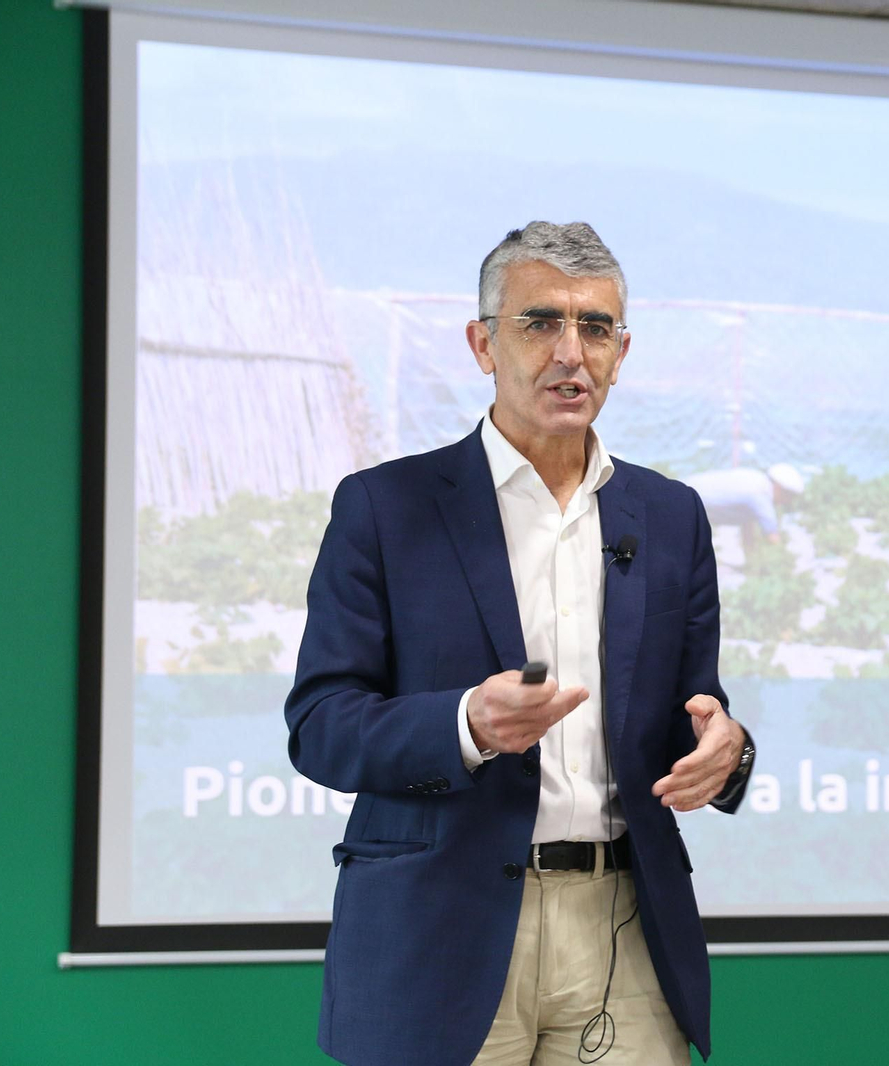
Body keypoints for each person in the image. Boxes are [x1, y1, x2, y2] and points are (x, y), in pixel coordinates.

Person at [285, 222, 756, 1066]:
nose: (571, 352)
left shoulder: (671, 515)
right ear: (482, 344)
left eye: (595, 328)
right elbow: (321, 725)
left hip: (624, 930)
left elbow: (695, 707)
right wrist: (465, 725)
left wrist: (727, 748)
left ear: (620, 354)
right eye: (541, 323)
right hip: (439, 932)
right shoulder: (385, 507)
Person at [683, 463, 805, 554]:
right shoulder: (761, 496)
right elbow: (772, 536)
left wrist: (750, 557)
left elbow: (747, 526)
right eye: (789, 497)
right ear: (779, 488)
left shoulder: (756, 479)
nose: (787, 502)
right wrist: (786, 561)